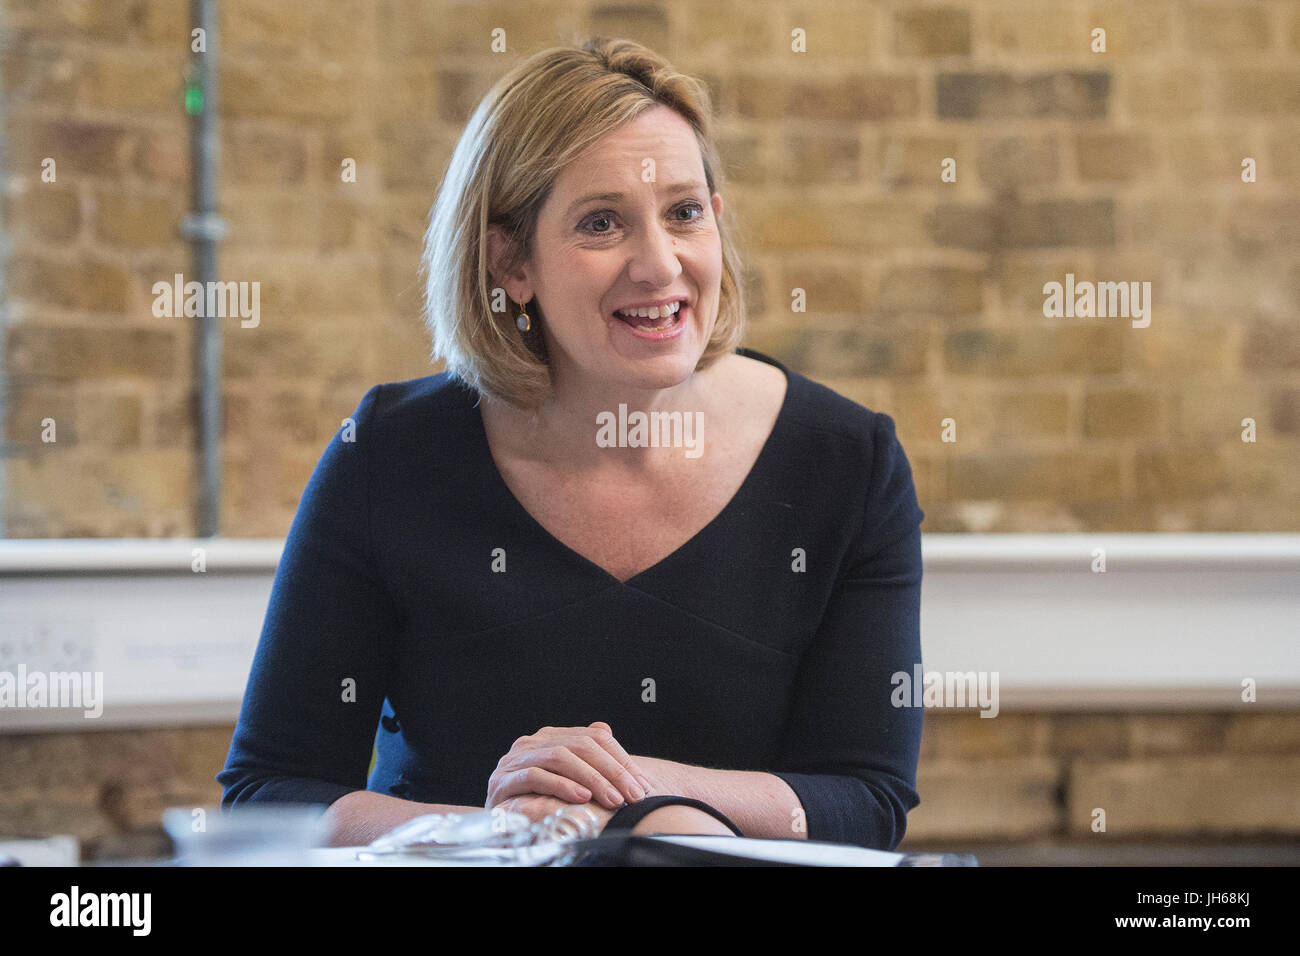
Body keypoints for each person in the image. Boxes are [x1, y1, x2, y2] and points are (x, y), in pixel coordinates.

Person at [218, 36, 925, 850]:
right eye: (602, 224)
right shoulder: (386, 454)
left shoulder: (847, 462)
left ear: (718, 226)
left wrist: (639, 794)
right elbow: (268, 793)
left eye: (684, 213)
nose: (660, 266)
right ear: (510, 262)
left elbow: (867, 801)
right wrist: (503, 831)